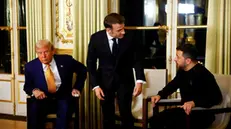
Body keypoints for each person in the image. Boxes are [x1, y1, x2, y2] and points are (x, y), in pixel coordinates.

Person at [87, 13, 146, 129]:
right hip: (104, 81)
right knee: (107, 116)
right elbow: (91, 64)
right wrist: (96, 86)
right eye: (119, 30)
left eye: (123, 28)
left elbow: (137, 60)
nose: (123, 32)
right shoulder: (96, 38)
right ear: (108, 30)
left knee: (126, 114)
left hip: (125, 80)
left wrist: (139, 81)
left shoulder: (130, 37)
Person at [151, 44, 222, 129]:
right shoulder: (182, 71)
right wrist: (160, 95)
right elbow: (173, 85)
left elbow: (217, 97)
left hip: (202, 114)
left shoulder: (204, 74)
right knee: (156, 120)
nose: (174, 59)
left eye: (178, 57)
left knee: (174, 123)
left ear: (188, 61)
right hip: (184, 111)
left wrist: (194, 103)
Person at [24, 39, 87, 129]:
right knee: (34, 112)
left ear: (53, 51)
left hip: (63, 97)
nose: (43, 56)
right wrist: (35, 91)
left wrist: (77, 88)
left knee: (64, 114)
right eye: (39, 53)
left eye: (46, 52)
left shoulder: (66, 60)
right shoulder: (30, 66)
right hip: (43, 99)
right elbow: (27, 86)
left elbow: (83, 70)